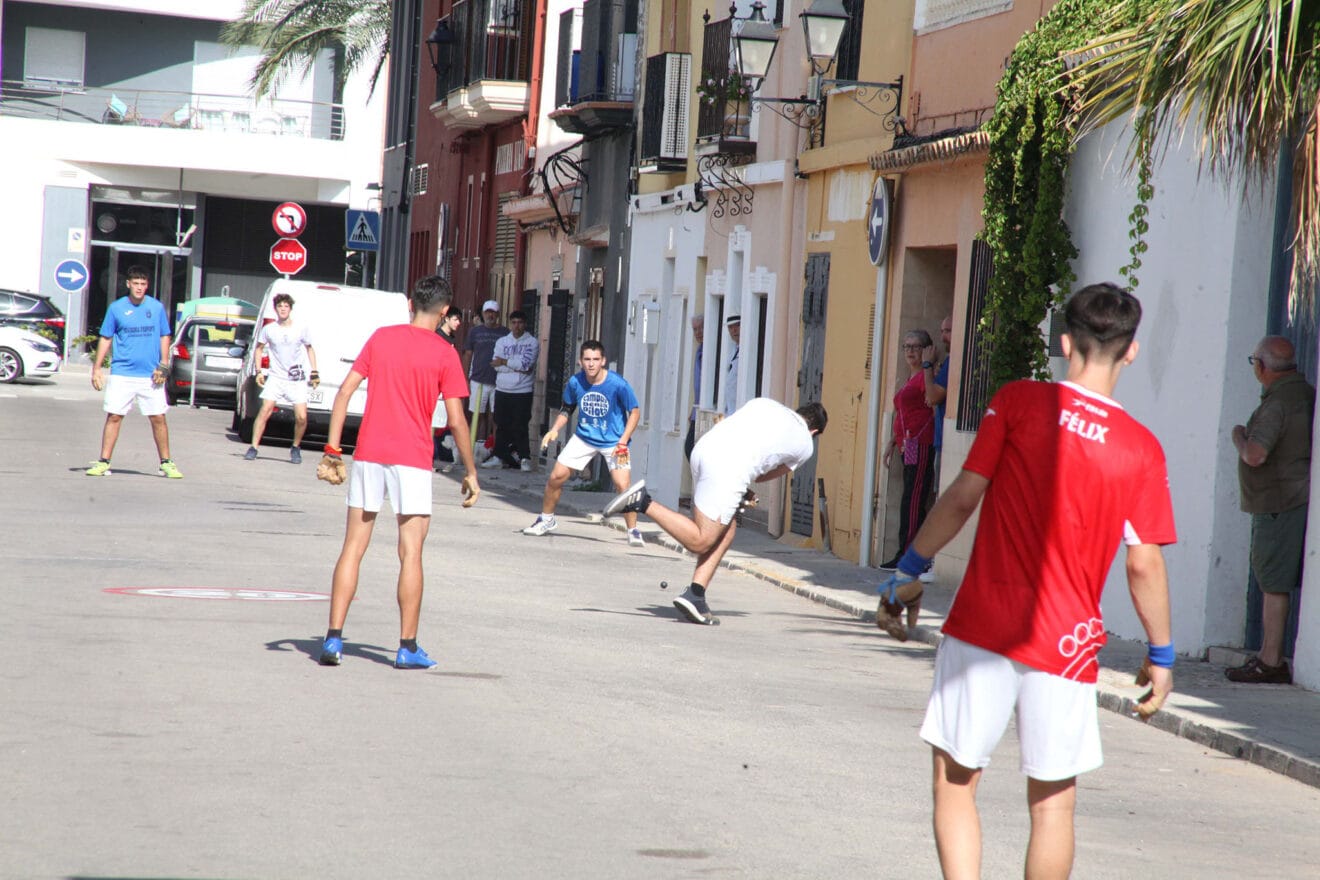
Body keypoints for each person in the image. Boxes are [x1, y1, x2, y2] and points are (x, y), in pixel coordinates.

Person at [874, 283, 1176, 879]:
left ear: (1065, 343)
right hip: (1067, 643)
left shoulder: (1017, 402)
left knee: (956, 782)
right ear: (1131, 351)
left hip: (983, 625)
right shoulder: (1142, 448)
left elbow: (963, 496)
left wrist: (908, 569)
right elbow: (1143, 562)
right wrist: (1161, 655)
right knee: (1053, 806)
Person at [316, 275, 481, 670]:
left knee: (353, 547)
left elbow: (344, 392)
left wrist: (333, 449)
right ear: (445, 311)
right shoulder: (445, 354)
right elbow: (457, 420)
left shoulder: (381, 338)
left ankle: (333, 640)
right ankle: (407, 647)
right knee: (411, 553)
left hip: (369, 452)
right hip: (412, 459)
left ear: (410, 303)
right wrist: (471, 471)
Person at [605, 398, 827, 624]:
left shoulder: (766, 404)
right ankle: (642, 502)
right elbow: (762, 476)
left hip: (703, 449)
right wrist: (740, 483)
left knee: (727, 529)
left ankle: (695, 594)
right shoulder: (805, 444)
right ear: (814, 431)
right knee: (700, 541)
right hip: (729, 468)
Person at [1225, 335, 1314, 684]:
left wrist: (1238, 434)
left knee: (1273, 583)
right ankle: (1268, 656)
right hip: (1296, 498)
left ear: (1261, 367)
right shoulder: (1305, 393)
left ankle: (1270, 660)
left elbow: (1255, 454)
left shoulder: (1278, 403)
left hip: (1278, 503)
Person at [523, 340, 644, 546]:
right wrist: (554, 429)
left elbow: (635, 411)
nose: (591, 364)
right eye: (587, 359)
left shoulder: (618, 384)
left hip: (614, 441)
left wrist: (623, 441)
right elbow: (567, 408)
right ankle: (546, 520)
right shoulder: (575, 382)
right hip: (584, 438)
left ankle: (633, 530)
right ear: (580, 361)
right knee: (556, 477)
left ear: (603, 361)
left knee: (623, 486)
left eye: (595, 359)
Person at [85, 265, 183, 479]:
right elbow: (106, 337)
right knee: (114, 416)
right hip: (122, 372)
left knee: (158, 417)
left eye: (143, 284)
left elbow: (164, 335)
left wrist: (164, 364)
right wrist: (97, 368)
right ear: (128, 284)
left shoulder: (156, 308)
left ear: (147, 286)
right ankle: (103, 461)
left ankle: (166, 462)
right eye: (136, 283)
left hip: (150, 374)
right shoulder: (116, 308)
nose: (139, 287)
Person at [879, 329, 937, 572]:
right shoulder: (910, 378)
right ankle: (908, 552)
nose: (910, 351)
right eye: (907, 346)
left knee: (912, 500)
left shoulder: (926, 376)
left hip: (921, 443)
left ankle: (908, 555)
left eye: (915, 346)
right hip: (907, 445)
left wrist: (928, 366)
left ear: (926, 349)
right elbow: (905, 414)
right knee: (909, 499)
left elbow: (932, 405)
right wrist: (893, 441)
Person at [244, 293, 319, 463]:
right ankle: (253, 447)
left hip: (296, 378)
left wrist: (314, 372)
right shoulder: (269, 329)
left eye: (286, 306)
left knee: (301, 417)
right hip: (276, 377)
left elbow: (310, 348)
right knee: (265, 410)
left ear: (290, 309)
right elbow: (259, 349)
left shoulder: (300, 328)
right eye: (280, 306)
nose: (283, 309)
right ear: (276, 309)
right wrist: (259, 371)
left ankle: (295, 447)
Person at [485, 310, 540, 471]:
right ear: (510, 324)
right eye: (514, 322)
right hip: (502, 389)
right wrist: (512, 365)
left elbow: (526, 366)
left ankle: (524, 458)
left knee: (520, 425)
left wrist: (505, 362)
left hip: (522, 391)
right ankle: (499, 456)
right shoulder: (502, 342)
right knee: (501, 424)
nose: (517, 326)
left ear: (525, 324)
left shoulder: (532, 342)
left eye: (520, 322)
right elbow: (496, 365)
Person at [463, 300, 507, 458]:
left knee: (496, 417)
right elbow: (468, 354)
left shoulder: (505, 332)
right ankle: (472, 449)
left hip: (499, 381)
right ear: (483, 313)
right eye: (487, 312)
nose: (490, 315)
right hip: (478, 379)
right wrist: (465, 378)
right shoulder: (475, 332)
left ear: (498, 314)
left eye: (493, 312)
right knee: (476, 414)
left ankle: (494, 451)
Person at [432, 306, 464, 467]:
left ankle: (438, 455)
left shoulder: (452, 337)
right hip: (435, 385)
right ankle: (431, 455)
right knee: (433, 422)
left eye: (459, 320)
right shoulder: (437, 336)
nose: (458, 323)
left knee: (441, 422)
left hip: (446, 384)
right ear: (446, 319)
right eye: (455, 319)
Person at [685, 315, 704, 460]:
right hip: (697, 409)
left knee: (692, 448)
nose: (698, 333)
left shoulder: (708, 350)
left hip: (705, 408)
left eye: (701, 328)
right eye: (695, 329)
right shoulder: (700, 350)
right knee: (690, 448)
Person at [723, 314, 740, 416]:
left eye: (737, 325)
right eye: (730, 327)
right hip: (729, 411)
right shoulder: (732, 350)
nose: (734, 330)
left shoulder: (748, 350)